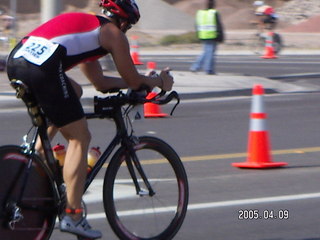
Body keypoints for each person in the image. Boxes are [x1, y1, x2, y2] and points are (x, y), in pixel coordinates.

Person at [6, 0, 173, 239]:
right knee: (80, 137)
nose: (126, 30)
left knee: (74, 92)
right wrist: (158, 81)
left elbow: (101, 83)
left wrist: (135, 82)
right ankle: (73, 215)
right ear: (124, 21)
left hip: (17, 61)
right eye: (128, 26)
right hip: (42, 69)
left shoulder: (89, 28)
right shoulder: (112, 33)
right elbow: (135, 81)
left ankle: (38, 156)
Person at [190, 0, 224, 75]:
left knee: (207, 52)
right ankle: (208, 69)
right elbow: (219, 25)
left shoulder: (200, 13)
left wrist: (198, 34)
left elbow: (196, 24)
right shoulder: (213, 13)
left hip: (203, 34)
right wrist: (221, 36)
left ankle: (195, 67)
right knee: (210, 53)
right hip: (212, 35)